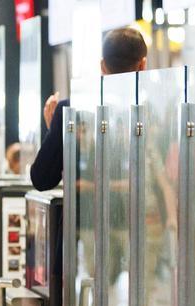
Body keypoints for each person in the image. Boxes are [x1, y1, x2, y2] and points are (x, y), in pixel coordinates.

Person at [31, 27, 147, 191]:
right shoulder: (151, 113)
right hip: (141, 215)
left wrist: (56, 132)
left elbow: (42, 179)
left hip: (82, 215)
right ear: (143, 64)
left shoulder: (70, 110)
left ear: (102, 65)